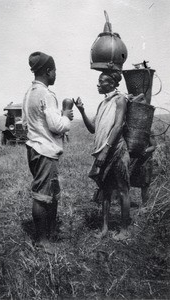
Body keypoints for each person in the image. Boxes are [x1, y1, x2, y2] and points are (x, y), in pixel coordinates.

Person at [22, 51, 73, 252]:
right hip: (45, 151)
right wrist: (66, 116)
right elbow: (56, 126)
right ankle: (42, 241)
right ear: (48, 71)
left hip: (34, 148)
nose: (55, 75)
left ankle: (49, 232)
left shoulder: (29, 93)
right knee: (42, 196)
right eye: (54, 71)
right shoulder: (46, 94)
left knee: (48, 192)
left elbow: (29, 122)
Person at [74, 71, 130, 240]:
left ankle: (124, 230)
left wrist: (105, 150)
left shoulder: (120, 100)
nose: (98, 85)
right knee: (105, 191)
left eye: (101, 81)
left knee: (122, 191)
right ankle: (104, 228)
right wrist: (82, 111)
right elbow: (93, 128)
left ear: (112, 84)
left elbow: (118, 126)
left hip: (117, 151)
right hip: (104, 153)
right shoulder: (102, 104)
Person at [130, 133, 156, 205]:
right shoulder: (132, 129)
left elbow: (153, 146)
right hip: (133, 161)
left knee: (145, 184)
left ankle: (145, 205)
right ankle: (122, 202)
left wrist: (145, 150)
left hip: (145, 162)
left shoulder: (148, 131)